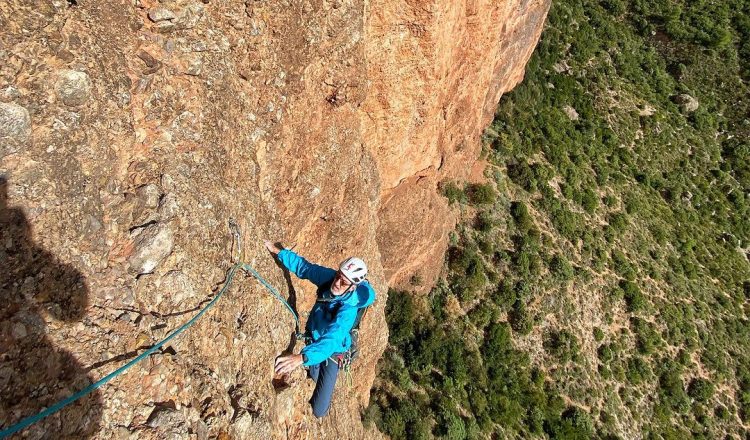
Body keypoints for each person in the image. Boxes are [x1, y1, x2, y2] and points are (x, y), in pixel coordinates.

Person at [264, 240, 375, 418]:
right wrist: (279, 252)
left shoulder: (348, 310)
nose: (337, 283)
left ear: (353, 287)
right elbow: (305, 268)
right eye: (338, 275)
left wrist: (302, 357)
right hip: (314, 337)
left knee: (319, 410)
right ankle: (313, 365)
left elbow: (332, 339)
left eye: (344, 282)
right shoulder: (329, 278)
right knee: (313, 375)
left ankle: (321, 397)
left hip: (334, 350)